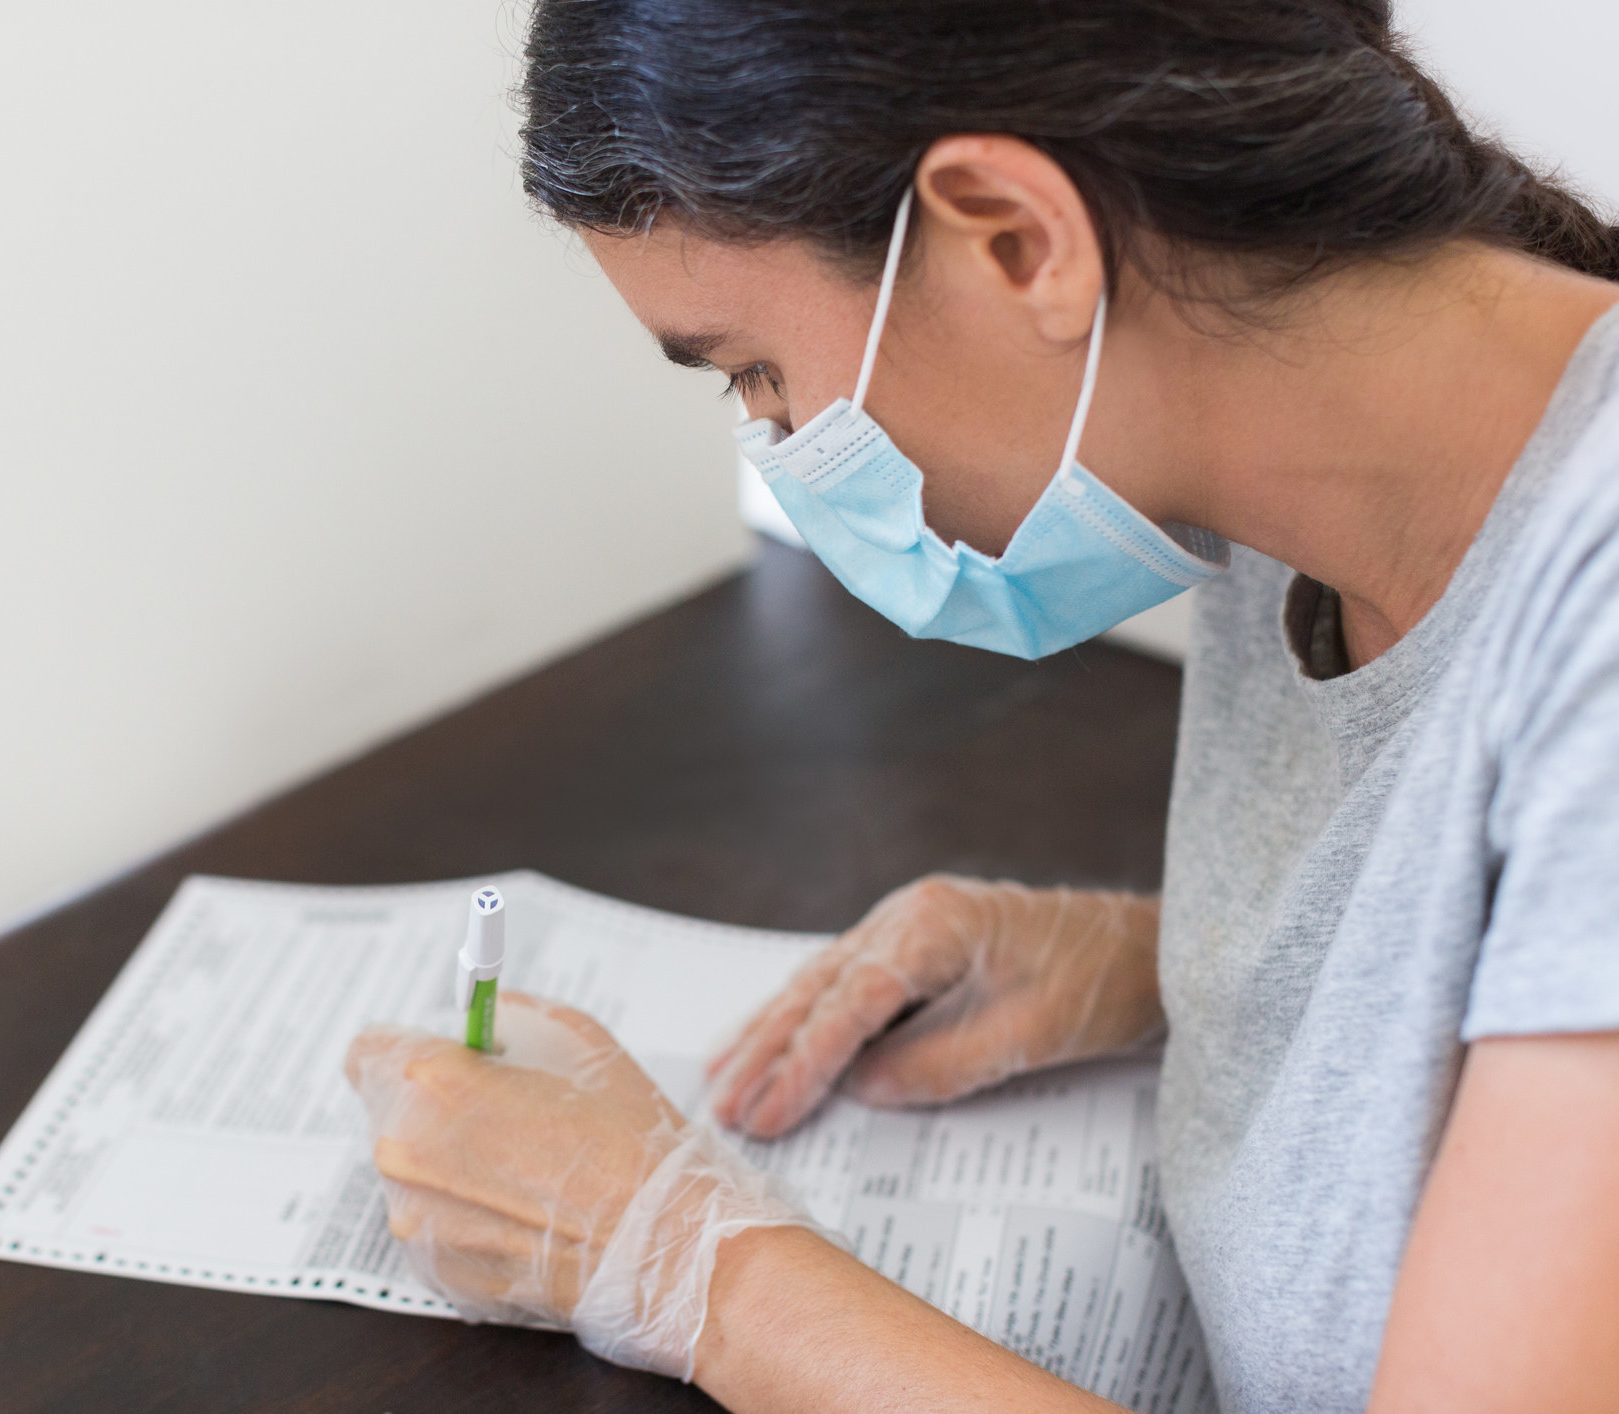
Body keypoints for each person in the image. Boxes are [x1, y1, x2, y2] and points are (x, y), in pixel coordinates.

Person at [342, 1, 1619, 1409]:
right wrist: (1165, 966)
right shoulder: (1290, 475)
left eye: (757, 371)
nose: (776, 449)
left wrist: (674, 1259)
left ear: (1014, 239)